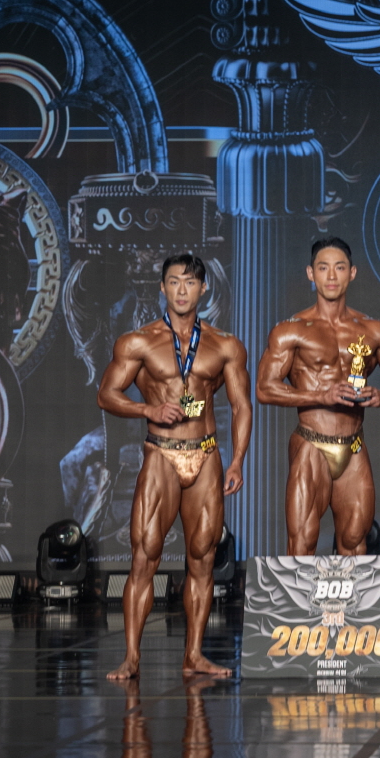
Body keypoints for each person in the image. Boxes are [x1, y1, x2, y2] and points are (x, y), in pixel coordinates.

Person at [98, 253, 250, 679]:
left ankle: (194, 655)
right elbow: (106, 394)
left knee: (202, 558)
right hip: (161, 454)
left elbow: (241, 406)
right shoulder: (138, 342)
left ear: (203, 288)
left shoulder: (225, 345)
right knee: (145, 555)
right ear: (162, 287)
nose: (182, 290)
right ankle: (131, 657)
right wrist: (148, 409)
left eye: (190, 282)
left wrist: (238, 460)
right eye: (174, 282)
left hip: (206, 455)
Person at [256, 238, 380, 556]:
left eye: (339, 268)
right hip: (311, 443)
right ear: (311, 274)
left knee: (354, 542)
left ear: (352, 273)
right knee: (302, 543)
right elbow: (264, 389)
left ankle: (346, 594)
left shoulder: (376, 330)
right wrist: (321, 395)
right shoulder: (290, 330)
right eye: (323, 268)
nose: (332, 276)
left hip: (353, 446)